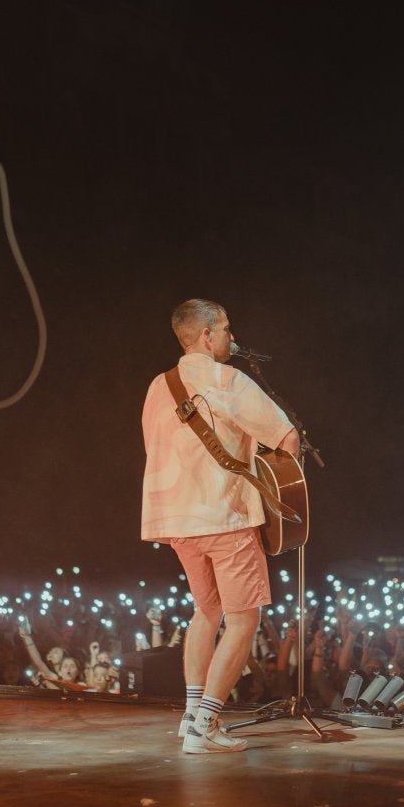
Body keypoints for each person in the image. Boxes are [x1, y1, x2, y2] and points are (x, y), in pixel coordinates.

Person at [141, 299, 299, 754]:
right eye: (226, 328)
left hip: (175, 519)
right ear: (206, 335)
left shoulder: (158, 386)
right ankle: (206, 723)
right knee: (245, 618)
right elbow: (285, 437)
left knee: (207, 612)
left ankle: (191, 716)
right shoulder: (227, 379)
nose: (232, 336)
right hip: (223, 518)